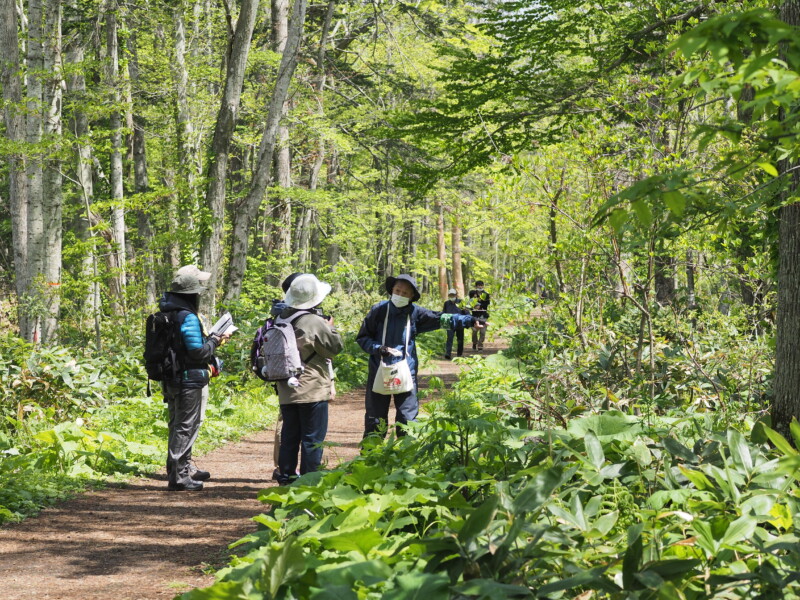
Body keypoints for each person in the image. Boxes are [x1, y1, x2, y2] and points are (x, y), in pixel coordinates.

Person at [357, 274, 484, 437]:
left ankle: (406, 455)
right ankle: (371, 456)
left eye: (405, 293)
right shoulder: (379, 310)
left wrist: (469, 320)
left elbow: (441, 319)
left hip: (406, 370)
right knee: (375, 419)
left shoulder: (415, 313)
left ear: (411, 296)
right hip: (379, 369)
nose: (400, 295)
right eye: (397, 291)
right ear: (391, 291)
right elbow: (363, 337)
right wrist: (377, 348)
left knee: (407, 418)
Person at [160, 270, 230, 491]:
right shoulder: (187, 316)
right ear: (192, 294)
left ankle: (179, 469)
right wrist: (214, 341)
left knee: (177, 424)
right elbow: (197, 352)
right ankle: (179, 476)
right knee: (184, 426)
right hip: (188, 378)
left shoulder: (168, 313)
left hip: (171, 376)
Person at [274, 274, 343, 485]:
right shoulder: (313, 321)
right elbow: (335, 347)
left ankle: (286, 476)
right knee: (312, 439)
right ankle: (309, 481)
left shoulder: (281, 318)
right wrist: (329, 326)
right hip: (312, 387)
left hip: (287, 387)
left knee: (289, 437)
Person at [442, 288, 467, 359]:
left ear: (456, 295)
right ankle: (448, 354)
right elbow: (444, 312)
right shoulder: (446, 303)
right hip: (450, 323)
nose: (451, 296)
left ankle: (459, 354)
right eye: (450, 295)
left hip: (460, 323)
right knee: (449, 338)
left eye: (453, 295)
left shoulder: (461, 302)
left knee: (460, 339)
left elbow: (466, 312)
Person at [468, 280, 491, 350]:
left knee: (483, 332)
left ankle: (480, 344)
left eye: (481, 285)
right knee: (474, 331)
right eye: (478, 285)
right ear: (476, 286)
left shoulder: (486, 294)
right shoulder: (472, 293)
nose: (480, 287)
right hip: (475, 315)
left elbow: (487, 303)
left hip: (483, 315)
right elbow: (470, 302)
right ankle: (474, 342)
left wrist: (480, 305)